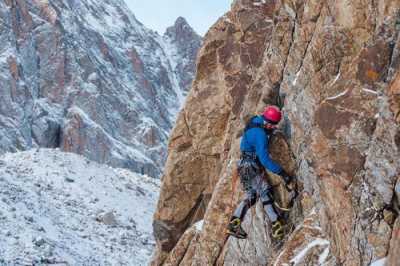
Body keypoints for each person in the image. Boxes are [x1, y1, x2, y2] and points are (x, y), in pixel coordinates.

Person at [227, 105, 294, 240]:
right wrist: (282, 173)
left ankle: (234, 223)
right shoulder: (260, 134)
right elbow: (264, 159)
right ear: (268, 122)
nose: (273, 127)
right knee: (265, 193)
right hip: (252, 167)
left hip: (243, 166)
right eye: (272, 125)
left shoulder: (255, 122)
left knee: (251, 196)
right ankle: (277, 224)